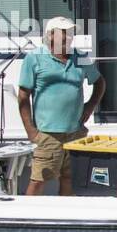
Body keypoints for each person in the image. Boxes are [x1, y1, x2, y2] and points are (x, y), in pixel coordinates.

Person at [18, 16, 106, 196]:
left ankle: (69, 215)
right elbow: (23, 97)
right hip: (48, 134)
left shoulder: (79, 57)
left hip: (76, 132)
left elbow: (100, 82)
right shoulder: (34, 58)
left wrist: (90, 106)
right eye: (64, 34)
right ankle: (28, 218)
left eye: (71, 33)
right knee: (38, 180)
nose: (69, 37)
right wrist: (31, 131)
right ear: (50, 36)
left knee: (70, 178)